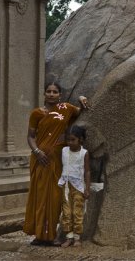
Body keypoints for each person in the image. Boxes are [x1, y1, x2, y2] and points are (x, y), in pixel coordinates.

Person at [23, 82, 89, 246]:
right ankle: (39, 235)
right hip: (40, 160)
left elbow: (82, 111)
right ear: (44, 94)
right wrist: (37, 152)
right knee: (39, 197)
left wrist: (81, 98)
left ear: (60, 94)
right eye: (48, 91)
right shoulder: (37, 113)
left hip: (57, 160)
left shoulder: (66, 108)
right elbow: (31, 136)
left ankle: (51, 235)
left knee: (54, 197)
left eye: (55, 92)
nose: (51, 94)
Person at [58, 125, 91, 247]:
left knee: (77, 212)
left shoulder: (84, 153)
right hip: (65, 185)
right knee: (66, 212)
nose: (70, 142)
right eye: (68, 140)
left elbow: (87, 171)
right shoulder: (64, 151)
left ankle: (77, 237)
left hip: (78, 187)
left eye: (73, 140)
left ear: (80, 140)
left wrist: (87, 188)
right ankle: (69, 236)